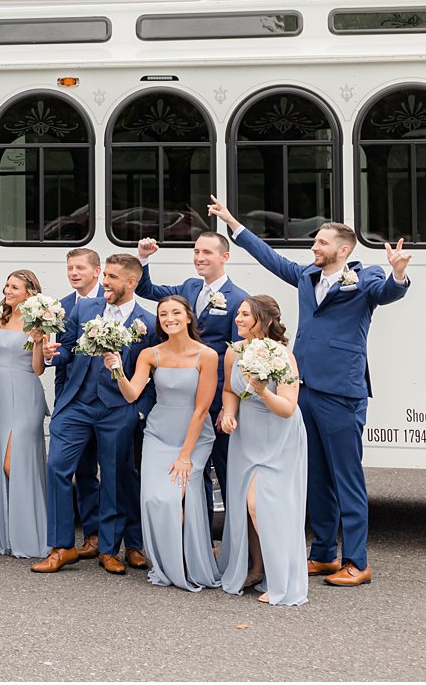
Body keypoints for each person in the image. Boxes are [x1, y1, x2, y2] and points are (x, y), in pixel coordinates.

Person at [208, 195, 412, 587]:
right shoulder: (306, 277)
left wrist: (398, 275)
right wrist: (233, 223)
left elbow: (388, 293)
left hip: (343, 391)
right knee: (316, 476)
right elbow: (271, 259)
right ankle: (322, 554)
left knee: (346, 477)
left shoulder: (366, 278)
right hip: (305, 390)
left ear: (343, 249)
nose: (313, 247)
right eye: (314, 242)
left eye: (321, 242)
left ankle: (357, 561)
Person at [32, 253, 158, 575]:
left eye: (112, 277)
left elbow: (155, 375)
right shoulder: (85, 308)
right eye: (106, 276)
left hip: (118, 410)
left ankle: (109, 550)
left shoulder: (148, 322)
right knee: (57, 467)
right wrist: (50, 354)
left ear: (131, 283)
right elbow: (69, 351)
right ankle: (62, 547)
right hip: (77, 405)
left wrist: (138, 413)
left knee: (115, 479)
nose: (105, 282)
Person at [107, 296, 221, 591]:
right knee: (154, 499)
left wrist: (185, 455)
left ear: (187, 318)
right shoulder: (150, 354)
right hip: (158, 433)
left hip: (193, 437)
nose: (169, 318)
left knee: (174, 498)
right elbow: (132, 394)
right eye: (163, 314)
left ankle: (185, 562)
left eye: (175, 313)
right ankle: (167, 563)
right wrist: (118, 369)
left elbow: (201, 409)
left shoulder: (206, 355)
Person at [136, 232, 250, 520]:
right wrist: (143, 258)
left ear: (225, 257)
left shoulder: (238, 299)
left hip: (215, 401)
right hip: (182, 399)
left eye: (207, 253)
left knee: (223, 472)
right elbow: (146, 289)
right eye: (197, 251)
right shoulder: (188, 286)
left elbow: (236, 356)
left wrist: (227, 404)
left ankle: (234, 549)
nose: (200, 258)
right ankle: (200, 543)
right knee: (190, 477)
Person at [218, 295, 308, 606]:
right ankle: (255, 569)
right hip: (247, 436)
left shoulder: (282, 355)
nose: (238, 319)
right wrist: (228, 413)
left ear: (265, 320)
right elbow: (229, 390)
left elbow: (287, 407)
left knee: (262, 504)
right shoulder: (234, 351)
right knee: (245, 503)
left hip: (279, 436)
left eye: (245, 314)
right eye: (238, 314)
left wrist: (260, 392)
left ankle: (281, 577)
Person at [0, 270, 49, 559]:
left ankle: (30, 533)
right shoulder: (3, 318)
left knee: (16, 463)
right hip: (2, 393)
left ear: (29, 292)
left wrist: (36, 342)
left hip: (25, 393)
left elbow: (38, 369)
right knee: (4, 462)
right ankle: (6, 535)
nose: (8, 290)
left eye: (15, 287)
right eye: (7, 285)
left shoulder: (40, 323)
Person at [57, 248, 104, 560]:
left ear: (96, 272)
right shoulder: (60, 307)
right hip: (74, 398)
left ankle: (126, 541)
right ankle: (92, 535)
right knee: (83, 471)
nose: (74, 273)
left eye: (80, 268)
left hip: (109, 402)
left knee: (116, 472)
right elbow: (63, 355)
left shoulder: (110, 303)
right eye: (70, 268)